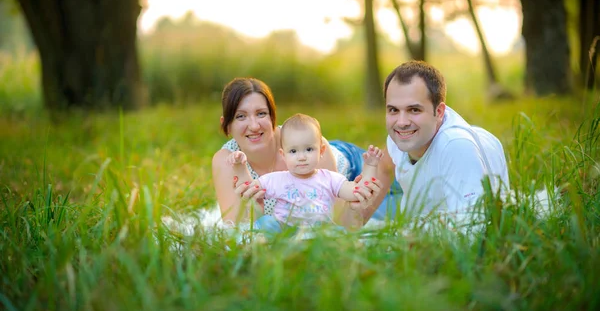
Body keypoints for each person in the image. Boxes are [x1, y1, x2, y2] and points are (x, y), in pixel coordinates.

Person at [212, 77, 401, 228]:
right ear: (226, 125)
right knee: (401, 206)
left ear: (272, 117)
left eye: (261, 113)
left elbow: (337, 219)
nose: (254, 125)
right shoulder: (227, 161)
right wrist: (256, 208)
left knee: (404, 178)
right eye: (240, 116)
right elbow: (236, 227)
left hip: (349, 167)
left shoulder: (301, 151)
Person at [366, 60, 510, 227]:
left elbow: (474, 229)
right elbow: (383, 168)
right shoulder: (397, 139)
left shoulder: (457, 147)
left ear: (439, 112)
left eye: (414, 110)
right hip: (408, 207)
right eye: (393, 110)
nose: (402, 122)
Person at [225, 113, 383, 233]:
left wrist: (370, 167)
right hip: (285, 230)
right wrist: (240, 166)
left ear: (321, 151)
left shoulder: (329, 178)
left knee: (341, 233)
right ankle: (262, 247)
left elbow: (356, 192)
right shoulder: (277, 179)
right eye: (293, 151)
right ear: (283, 155)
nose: (301, 157)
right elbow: (249, 189)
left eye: (309, 149)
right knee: (266, 223)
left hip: (319, 231)